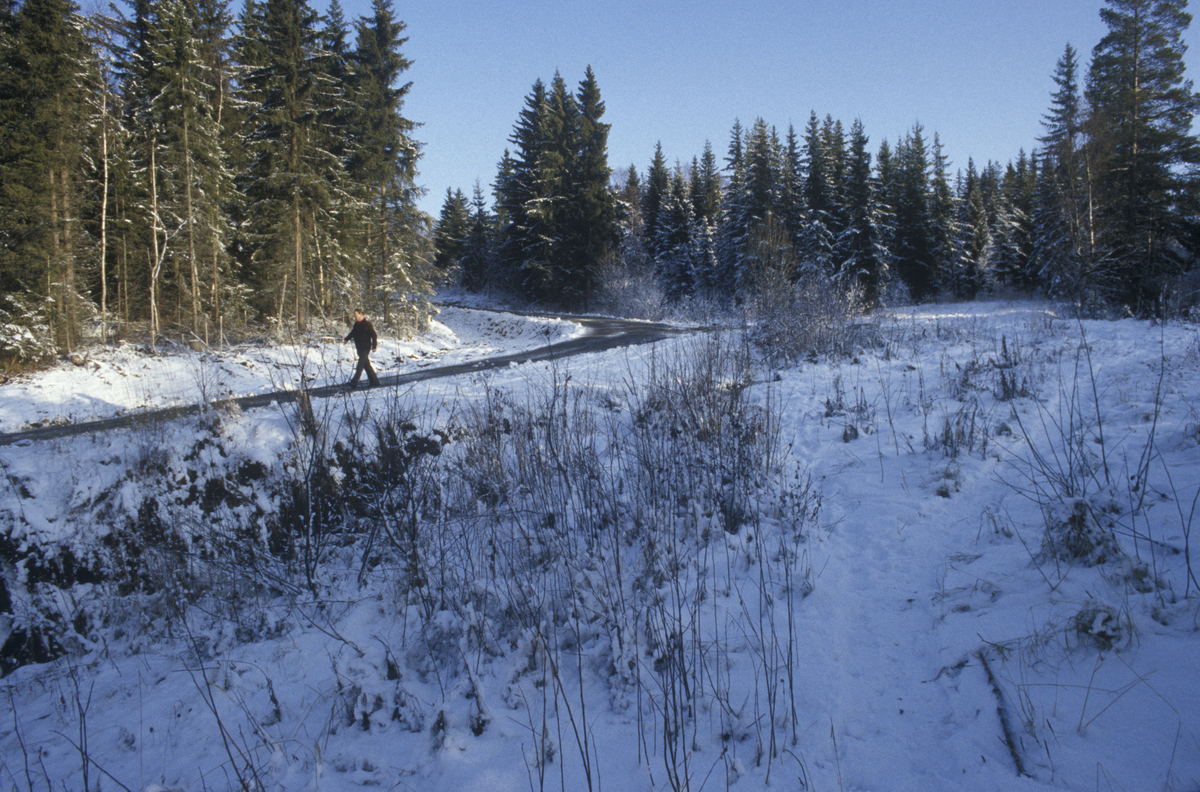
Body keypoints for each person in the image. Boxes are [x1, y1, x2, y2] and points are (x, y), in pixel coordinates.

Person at [344, 308, 380, 388]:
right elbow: (353, 332)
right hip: (359, 347)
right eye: (354, 315)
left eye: (356, 315)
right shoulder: (356, 324)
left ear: (361, 315)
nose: (355, 317)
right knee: (366, 365)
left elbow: (374, 335)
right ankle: (374, 381)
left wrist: (374, 346)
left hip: (365, 347)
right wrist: (347, 338)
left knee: (360, 365)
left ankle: (354, 382)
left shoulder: (368, 324)